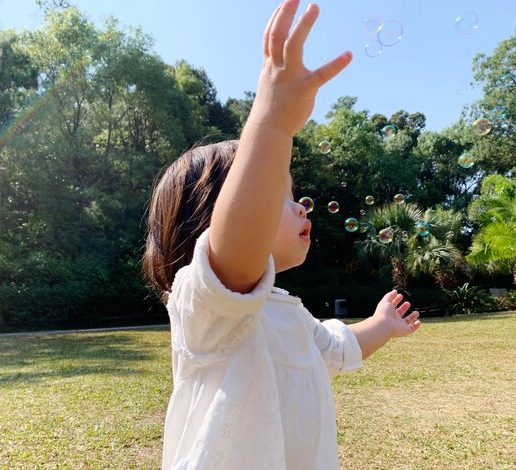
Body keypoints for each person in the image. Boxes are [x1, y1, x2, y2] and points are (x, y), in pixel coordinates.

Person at [142, 1, 422, 468]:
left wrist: (383, 326)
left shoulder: (290, 313)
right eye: (276, 190)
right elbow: (234, 246)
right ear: (218, 220)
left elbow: (337, 350)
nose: (299, 205)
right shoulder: (205, 307)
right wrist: (272, 122)